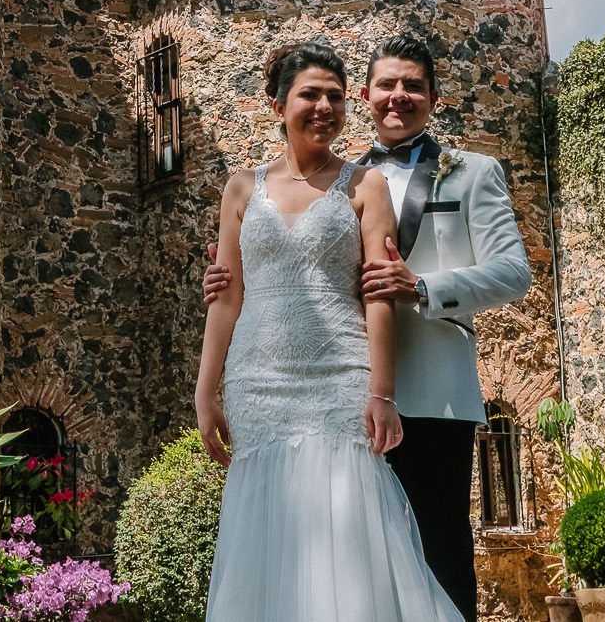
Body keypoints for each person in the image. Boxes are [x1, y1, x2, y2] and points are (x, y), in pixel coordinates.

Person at [203, 33, 534, 622]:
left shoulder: (472, 173)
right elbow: (258, 274)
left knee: (437, 558)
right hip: (334, 391)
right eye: (386, 84)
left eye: (413, 86)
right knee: (328, 553)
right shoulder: (344, 177)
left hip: (429, 392)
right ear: (367, 94)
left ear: (433, 96)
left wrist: (426, 287)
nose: (398, 96)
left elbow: (514, 272)